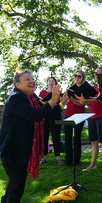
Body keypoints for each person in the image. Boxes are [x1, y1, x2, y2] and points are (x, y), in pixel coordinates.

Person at [0, 70, 67, 202]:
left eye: (32, 78)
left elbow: (43, 112)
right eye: (27, 79)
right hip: (13, 151)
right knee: (16, 186)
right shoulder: (15, 98)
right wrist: (53, 99)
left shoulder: (31, 97)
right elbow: (34, 115)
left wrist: (60, 104)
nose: (32, 81)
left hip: (21, 150)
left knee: (15, 184)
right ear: (17, 85)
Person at [78, 67, 102, 176]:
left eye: (97, 73)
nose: (95, 75)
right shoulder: (94, 87)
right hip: (92, 117)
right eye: (94, 73)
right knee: (93, 142)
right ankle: (93, 164)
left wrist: (85, 100)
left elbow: (99, 99)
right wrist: (83, 100)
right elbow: (89, 102)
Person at [64, 70, 86, 167]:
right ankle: (67, 160)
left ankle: (76, 161)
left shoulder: (84, 89)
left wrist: (73, 100)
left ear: (83, 78)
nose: (77, 78)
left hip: (79, 116)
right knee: (68, 138)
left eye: (79, 76)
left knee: (76, 138)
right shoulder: (70, 88)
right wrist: (64, 96)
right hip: (68, 114)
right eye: (75, 76)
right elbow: (64, 102)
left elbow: (83, 103)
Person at [39, 77, 63, 165]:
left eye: (53, 81)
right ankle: (44, 157)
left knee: (56, 136)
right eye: (49, 81)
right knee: (44, 137)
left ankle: (58, 157)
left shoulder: (58, 92)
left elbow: (62, 103)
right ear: (47, 83)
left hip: (55, 115)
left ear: (55, 83)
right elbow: (40, 103)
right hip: (45, 115)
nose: (51, 83)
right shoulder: (42, 92)